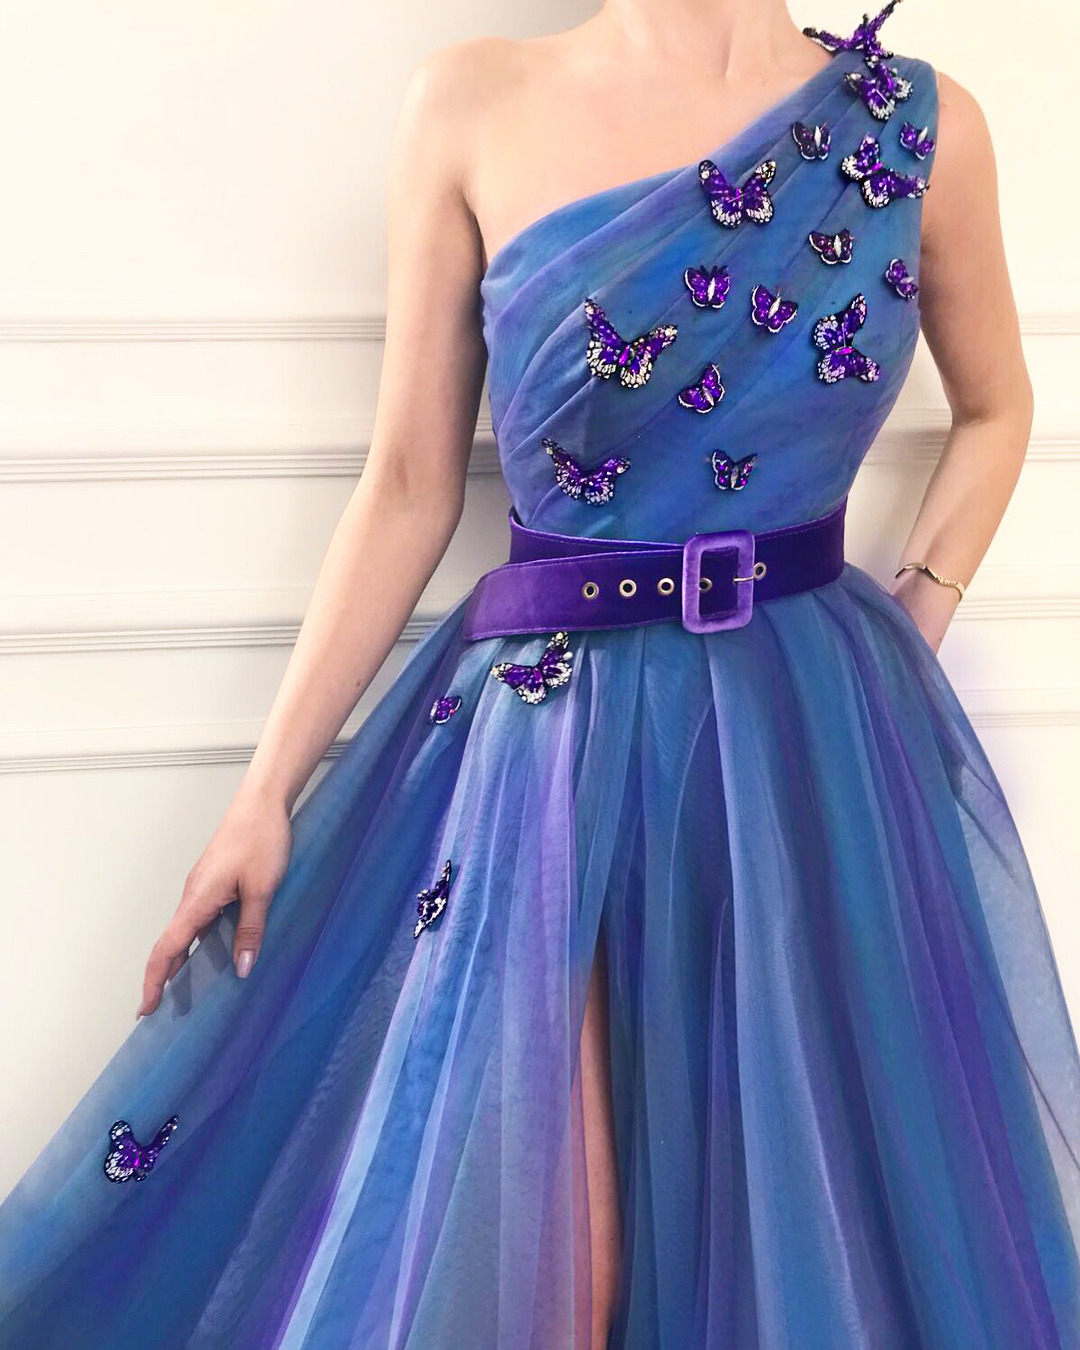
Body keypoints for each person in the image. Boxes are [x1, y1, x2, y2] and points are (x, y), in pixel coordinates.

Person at [2, 0, 1079, 1346]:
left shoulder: (920, 125)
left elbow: (1000, 405)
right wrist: (264, 789)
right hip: (554, 743)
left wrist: (912, 618)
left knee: (792, 1238)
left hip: (809, 740)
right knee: (548, 1266)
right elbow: (408, 484)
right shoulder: (473, 104)